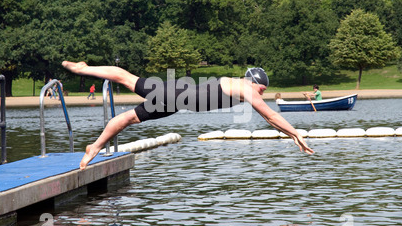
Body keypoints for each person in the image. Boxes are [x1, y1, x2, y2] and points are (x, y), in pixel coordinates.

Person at [62, 61, 314, 170]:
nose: (263, 93)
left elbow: (268, 118)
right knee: (128, 79)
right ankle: (84, 69)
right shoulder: (246, 88)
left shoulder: (242, 88)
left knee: (130, 118)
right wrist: (295, 133)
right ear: (255, 82)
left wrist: (291, 134)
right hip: (178, 93)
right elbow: (270, 116)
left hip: (176, 103)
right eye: (263, 89)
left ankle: (93, 147)